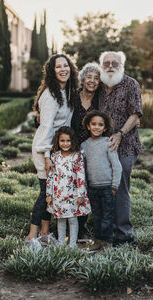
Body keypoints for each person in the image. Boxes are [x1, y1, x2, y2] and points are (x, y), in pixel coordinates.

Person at [26, 54, 78, 242]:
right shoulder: (50, 95)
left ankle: (45, 232)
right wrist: (48, 155)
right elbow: (47, 128)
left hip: (57, 149)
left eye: (66, 65)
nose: (63, 69)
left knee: (53, 192)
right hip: (45, 150)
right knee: (45, 193)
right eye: (58, 67)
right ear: (52, 71)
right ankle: (32, 235)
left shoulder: (66, 91)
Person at [98, 51, 143, 246]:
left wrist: (120, 134)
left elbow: (135, 114)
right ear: (101, 65)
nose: (110, 66)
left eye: (114, 63)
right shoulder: (97, 84)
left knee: (121, 185)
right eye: (106, 63)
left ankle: (125, 235)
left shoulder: (131, 84)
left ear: (121, 65)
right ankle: (104, 232)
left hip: (125, 145)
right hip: (101, 146)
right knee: (102, 187)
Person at [81, 110, 122, 250]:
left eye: (100, 125)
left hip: (107, 188)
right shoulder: (84, 145)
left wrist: (114, 186)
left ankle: (108, 243)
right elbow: (83, 169)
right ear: (88, 126)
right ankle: (98, 241)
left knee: (107, 217)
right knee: (97, 216)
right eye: (93, 124)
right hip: (92, 188)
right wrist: (85, 187)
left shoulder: (108, 143)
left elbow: (117, 166)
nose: (97, 127)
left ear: (105, 128)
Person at [46, 126, 91, 247]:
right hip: (58, 194)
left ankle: (72, 244)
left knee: (72, 219)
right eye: (62, 141)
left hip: (73, 194)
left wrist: (81, 195)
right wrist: (49, 194)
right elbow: (50, 177)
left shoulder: (77, 156)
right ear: (58, 141)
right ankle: (61, 243)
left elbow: (81, 177)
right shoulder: (55, 156)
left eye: (68, 141)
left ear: (73, 141)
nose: (65, 144)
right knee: (60, 219)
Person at [71, 62, 101, 240]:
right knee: (75, 187)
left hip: (93, 149)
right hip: (73, 148)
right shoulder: (72, 97)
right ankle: (73, 227)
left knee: (89, 187)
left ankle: (84, 227)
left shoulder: (99, 99)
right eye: (89, 77)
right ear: (82, 79)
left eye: (96, 78)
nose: (92, 81)